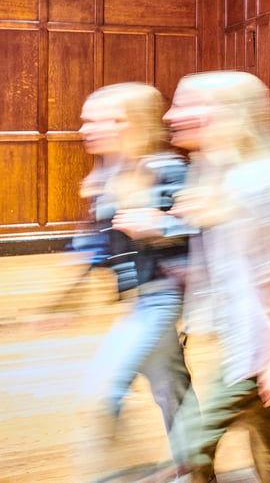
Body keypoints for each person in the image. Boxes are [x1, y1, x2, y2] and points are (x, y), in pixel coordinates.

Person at [164, 71, 270, 483]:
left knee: (193, 447)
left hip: (255, 348)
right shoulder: (218, 171)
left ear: (225, 114)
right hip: (239, 342)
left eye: (186, 104)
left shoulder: (255, 180)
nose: (172, 115)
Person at [76, 82, 198, 481]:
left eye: (102, 120)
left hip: (163, 296)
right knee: (171, 388)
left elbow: (200, 224)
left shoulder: (167, 168)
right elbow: (103, 239)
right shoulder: (111, 172)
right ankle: (195, 468)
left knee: (106, 387)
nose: (86, 129)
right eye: (86, 121)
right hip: (141, 297)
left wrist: (158, 224)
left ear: (133, 124)